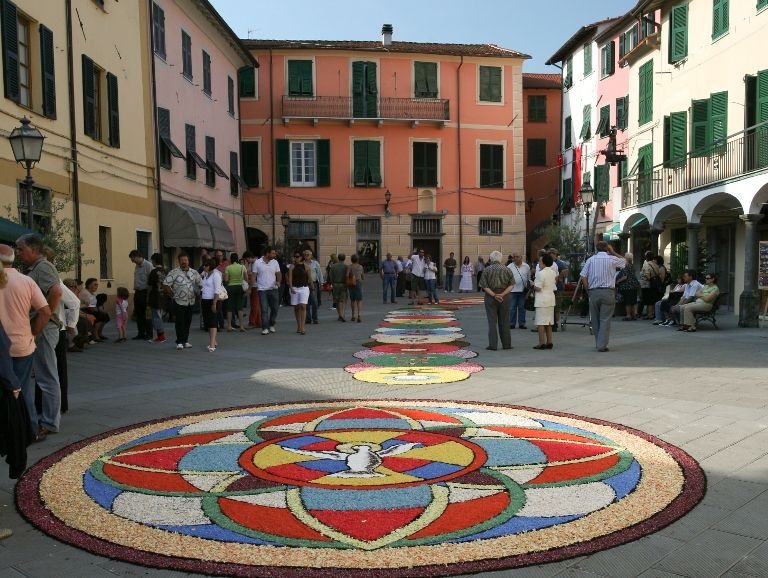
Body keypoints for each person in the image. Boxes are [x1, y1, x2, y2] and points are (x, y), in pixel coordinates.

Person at [0, 242, 51, 440]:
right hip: (22, 344)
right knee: (23, 389)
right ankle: (30, 430)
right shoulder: (26, 281)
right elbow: (45, 311)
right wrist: (33, 333)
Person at [14, 234, 62, 439]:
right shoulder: (34, 268)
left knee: (46, 376)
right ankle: (45, 418)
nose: (18, 253)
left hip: (44, 328)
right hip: (39, 326)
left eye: (21, 249)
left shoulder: (43, 267)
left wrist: (44, 318)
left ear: (34, 249)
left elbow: (56, 292)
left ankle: (50, 422)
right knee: (42, 375)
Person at [579, 240, 626, 352]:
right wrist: (613, 252)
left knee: (595, 319)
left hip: (594, 291)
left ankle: (598, 342)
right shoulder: (612, 259)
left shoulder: (591, 260)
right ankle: (602, 345)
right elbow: (625, 261)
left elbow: (583, 276)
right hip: (608, 291)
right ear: (607, 248)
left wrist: (588, 289)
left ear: (596, 248)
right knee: (605, 319)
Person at [163, 253, 202, 350]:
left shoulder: (194, 272)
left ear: (188, 261)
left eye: (186, 260)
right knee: (180, 321)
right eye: (182, 260)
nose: (184, 262)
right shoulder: (173, 272)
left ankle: (186, 341)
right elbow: (166, 284)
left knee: (188, 321)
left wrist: (199, 293)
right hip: (179, 301)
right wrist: (172, 294)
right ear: (179, 261)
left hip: (191, 301)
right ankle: (179, 342)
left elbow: (201, 284)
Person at [478, 251, 514, 351]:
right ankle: (506, 344)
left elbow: (484, 286)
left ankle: (493, 345)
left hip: (491, 297)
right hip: (504, 296)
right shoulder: (507, 269)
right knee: (505, 320)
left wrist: (494, 295)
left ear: (491, 259)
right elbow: (511, 285)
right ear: (501, 258)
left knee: (492, 321)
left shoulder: (487, 270)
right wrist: (502, 294)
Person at [254, 247, 281, 335]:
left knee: (275, 308)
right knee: (264, 309)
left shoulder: (275, 262)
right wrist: (250, 288)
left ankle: (271, 324)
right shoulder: (257, 262)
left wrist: (278, 281)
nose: (274, 255)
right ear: (267, 253)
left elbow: (278, 273)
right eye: (272, 253)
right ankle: (265, 327)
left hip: (273, 288)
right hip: (262, 290)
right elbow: (254, 275)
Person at [532, 252, 557, 350]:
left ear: (543, 262)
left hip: (542, 300)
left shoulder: (540, 273)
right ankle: (549, 341)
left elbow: (538, 288)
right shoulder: (553, 272)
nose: (539, 263)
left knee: (541, 322)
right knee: (549, 322)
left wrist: (532, 285)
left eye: (540, 261)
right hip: (551, 299)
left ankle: (541, 343)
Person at [128, 249, 153, 340]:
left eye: (133, 259)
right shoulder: (137, 266)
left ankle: (149, 334)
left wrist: (148, 296)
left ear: (138, 256)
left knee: (147, 314)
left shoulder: (148, 265)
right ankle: (141, 333)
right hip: (138, 292)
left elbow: (151, 281)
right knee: (139, 314)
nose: (132, 261)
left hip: (145, 292)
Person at [200, 258, 222, 351]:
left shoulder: (216, 275)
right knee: (208, 322)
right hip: (205, 300)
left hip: (213, 300)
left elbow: (217, 290)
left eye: (206, 265)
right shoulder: (205, 274)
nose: (204, 267)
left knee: (213, 322)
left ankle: (212, 344)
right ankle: (213, 341)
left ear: (210, 266)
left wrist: (214, 303)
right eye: (204, 265)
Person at [79, 278, 109, 342]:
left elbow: (94, 305)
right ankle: (95, 334)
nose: (97, 286)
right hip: (84, 310)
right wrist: (99, 310)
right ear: (89, 285)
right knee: (101, 316)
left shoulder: (93, 293)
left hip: (90, 309)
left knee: (105, 316)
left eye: (97, 285)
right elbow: (91, 307)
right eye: (95, 284)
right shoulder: (85, 293)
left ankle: (99, 333)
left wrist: (100, 309)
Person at [287, 251, 310, 334]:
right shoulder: (291, 267)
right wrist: (291, 287)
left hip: (304, 288)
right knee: (296, 307)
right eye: (295, 256)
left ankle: (303, 327)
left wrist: (312, 286)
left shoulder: (306, 266)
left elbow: (309, 277)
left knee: (303, 306)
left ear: (301, 257)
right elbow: (290, 278)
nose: (296, 258)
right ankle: (299, 326)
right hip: (295, 288)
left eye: (298, 256)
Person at [224, 252, 248, 332]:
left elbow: (226, 280)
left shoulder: (228, 268)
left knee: (229, 308)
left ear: (231, 259)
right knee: (240, 307)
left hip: (230, 287)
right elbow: (246, 278)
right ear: (237, 259)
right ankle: (241, 326)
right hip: (240, 287)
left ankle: (229, 326)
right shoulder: (242, 267)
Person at [507, 252, 531, 329]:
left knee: (522, 308)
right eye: (514, 257)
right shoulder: (509, 266)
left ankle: (522, 323)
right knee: (512, 308)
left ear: (521, 257)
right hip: (512, 290)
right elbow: (506, 278)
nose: (515, 258)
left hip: (523, 290)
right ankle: (511, 323)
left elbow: (529, 278)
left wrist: (529, 287)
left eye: (517, 257)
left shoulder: (526, 266)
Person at [147, 253, 166, 342]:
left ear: (155, 261)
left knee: (156, 316)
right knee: (159, 316)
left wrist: (147, 296)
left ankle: (161, 336)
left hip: (155, 297)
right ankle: (159, 336)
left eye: (152, 260)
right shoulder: (165, 271)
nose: (152, 262)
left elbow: (150, 286)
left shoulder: (153, 272)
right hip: (163, 296)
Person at [549, 248, 569, 331]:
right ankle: (551, 323)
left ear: (555, 255)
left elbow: (566, 272)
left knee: (557, 306)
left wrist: (559, 277)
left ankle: (556, 323)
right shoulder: (548, 262)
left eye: (553, 254)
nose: (551, 256)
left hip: (558, 288)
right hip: (549, 288)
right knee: (550, 307)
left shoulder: (560, 263)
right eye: (550, 254)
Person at [616, 252, 639, 321]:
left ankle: (628, 315)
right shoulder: (632, 265)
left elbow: (625, 277)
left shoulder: (625, 266)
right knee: (633, 301)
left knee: (628, 301)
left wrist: (618, 281)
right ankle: (634, 314)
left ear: (626, 258)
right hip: (634, 285)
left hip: (627, 286)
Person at [639, 251, 661, 319]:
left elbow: (647, 275)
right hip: (654, 284)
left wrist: (646, 277)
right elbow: (658, 273)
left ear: (646, 257)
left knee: (648, 301)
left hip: (647, 285)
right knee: (652, 300)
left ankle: (649, 315)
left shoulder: (646, 264)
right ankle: (651, 314)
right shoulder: (655, 264)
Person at [303, 249, 323, 325]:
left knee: (314, 302)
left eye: (308, 255)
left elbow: (319, 273)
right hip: (304, 284)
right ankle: (308, 318)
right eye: (305, 254)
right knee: (306, 302)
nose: (306, 256)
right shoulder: (302, 264)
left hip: (314, 283)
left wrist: (321, 283)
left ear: (311, 256)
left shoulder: (315, 263)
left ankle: (315, 318)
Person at [328, 253, 349, 322]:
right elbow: (348, 276)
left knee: (336, 300)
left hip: (335, 284)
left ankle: (340, 314)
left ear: (338, 258)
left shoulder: (333, 266)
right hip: (343, 284)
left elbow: (330, 276)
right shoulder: (346, 266)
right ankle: (343, 314)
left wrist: (332, 283)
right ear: (344, 258)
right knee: (343, 300)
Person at [347, 254, 365, 322]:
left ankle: (353, 315)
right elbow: (363, 277)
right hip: (358, 283)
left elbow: (347, 275)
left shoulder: (349, 267)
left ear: (351, 260)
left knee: (352, 300)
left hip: (351, 283)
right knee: (359, 300)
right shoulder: (360, 267)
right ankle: (359, 315)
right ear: (358, 260)